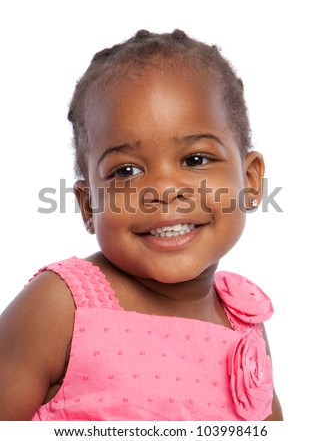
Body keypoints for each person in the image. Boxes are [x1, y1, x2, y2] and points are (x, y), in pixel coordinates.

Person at [0, 30, 283, 421]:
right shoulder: (61, 307)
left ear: (250, 181)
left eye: (196, 160)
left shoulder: (243, 323)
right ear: (88, 205)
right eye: (126, 170)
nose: (164, 190)